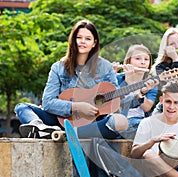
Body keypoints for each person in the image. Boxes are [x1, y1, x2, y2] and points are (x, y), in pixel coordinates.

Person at [14, 19, 155, 139]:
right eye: (79, 37)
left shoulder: (105, 67)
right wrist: (77, 106)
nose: (83, 42)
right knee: (22, 107)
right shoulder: (58, 67)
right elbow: (48, 102)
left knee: (119, 121)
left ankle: (70, 134)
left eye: (88, 39)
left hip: (91, 124)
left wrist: (139, 94)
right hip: (59, 121)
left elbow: (117, 102)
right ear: (73, 40)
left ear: (94, 43)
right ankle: (41, 129)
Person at [112, 44, 158, 139]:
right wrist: (111, 74)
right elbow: (111, 102)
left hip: (138, 120)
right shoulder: (118, 78)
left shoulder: (150, 82)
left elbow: (146, 108)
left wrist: (134, 86)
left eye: (146, 59)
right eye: (138, 58)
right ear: (129, 61)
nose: (143, 62)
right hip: (118, 119)